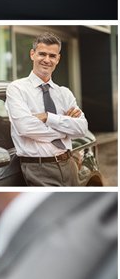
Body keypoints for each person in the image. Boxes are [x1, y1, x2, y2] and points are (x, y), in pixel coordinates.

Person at [6, 32, 90, 187]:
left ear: (58, 59)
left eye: (52, 56)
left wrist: (47, 117)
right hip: (38, 168)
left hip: (69, 164)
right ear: (32, 54)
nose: (46, 60)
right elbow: (25, 128)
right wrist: (66, 128)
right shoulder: (17, 89)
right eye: (42, 54)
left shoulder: (64, 93)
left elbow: (82, 129)